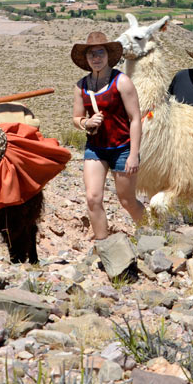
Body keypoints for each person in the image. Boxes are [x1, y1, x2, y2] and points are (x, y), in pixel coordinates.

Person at [71, 31, 144, 239]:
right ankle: (103, 245)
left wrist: (133, 154)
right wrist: (86, 122)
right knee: (93, 198)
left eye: (100, 53)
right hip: (96, 147)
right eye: (92, 54)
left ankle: (151, 231)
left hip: (122, 147)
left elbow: (135, 119)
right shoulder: (81, 86)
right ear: (86, 58)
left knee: (127, 200)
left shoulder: (121, 82)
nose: (96, 58)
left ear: (108, 55)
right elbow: (76, 118)